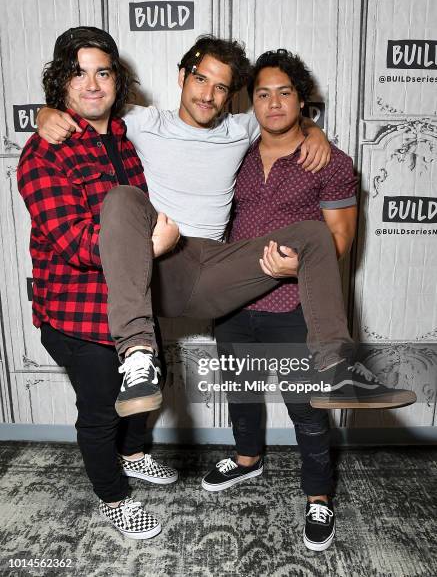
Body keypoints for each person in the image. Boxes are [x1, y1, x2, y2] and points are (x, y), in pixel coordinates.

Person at [37, 34, 416, 420]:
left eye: (221, 87)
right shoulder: (141, 120)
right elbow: (89, 105)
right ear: (182, 76)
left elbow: (283, 111)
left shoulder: (242, 128)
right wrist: (46, 113)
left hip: (216, 271)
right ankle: (137, 357)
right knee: (120, 197)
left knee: (314, 233)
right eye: (201, 79)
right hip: (163, 269)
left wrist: (315, 132)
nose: (208, 95)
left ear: (230, 95)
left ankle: (335, 370)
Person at [17, 27, 181, 540]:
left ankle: (132, 456)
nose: (91, 84)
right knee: (101, 407)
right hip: (76, 312)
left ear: (117, 80)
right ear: (60, 84)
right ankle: (113, 498)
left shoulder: (125, 140)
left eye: (102, 72)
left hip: (130, 300)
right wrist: (156, 246)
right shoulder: (43, 153)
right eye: (77, 72)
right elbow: (75, 242)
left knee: (144, 388)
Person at [201, 49, 357, 551]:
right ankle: (248, 458)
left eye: (283, 92)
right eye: (262, 94)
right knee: (241, 393)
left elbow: (339, 239)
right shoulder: (234, 150)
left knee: (307, 409)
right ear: (251, 101)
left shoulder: (329, 162)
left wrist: (300, 265)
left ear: (302, 99)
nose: (272, 103)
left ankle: (318, 495)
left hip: (294, 305)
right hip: (234, 303)